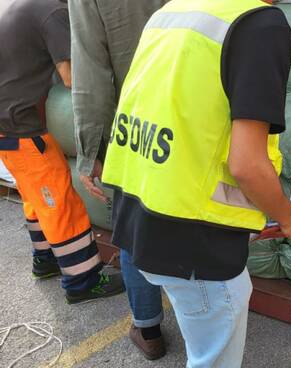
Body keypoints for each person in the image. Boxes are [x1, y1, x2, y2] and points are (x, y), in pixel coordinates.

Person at [101, 0, 291, 366]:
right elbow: (247, 164)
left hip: (140, 208)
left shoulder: (173, 10)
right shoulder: (262, 24)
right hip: (195, 238)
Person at [0, 0, 125, 304]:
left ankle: (45, 260)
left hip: (8, 127)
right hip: (21, 128)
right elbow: (72, 77)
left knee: (36, 198)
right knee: (59, 201)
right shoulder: (52, 13)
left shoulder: (21, 6)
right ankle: (83, 280)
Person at [68, 0, 170, 360]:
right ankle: (201, 320)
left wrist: (89, 150)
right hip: (191, 114)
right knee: (191, 221)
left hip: (136, 126)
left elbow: (91, 71)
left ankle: (148, 328)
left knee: (132, 228)